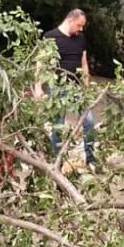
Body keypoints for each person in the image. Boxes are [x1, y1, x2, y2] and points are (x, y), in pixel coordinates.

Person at [41, 9, 95, 168]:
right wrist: (38, 88)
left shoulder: (81, 39)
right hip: (57, 88)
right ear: (70, 20)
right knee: (58, 125)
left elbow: (84, 64)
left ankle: (91, 159)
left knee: (89, 121)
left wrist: (86, 88)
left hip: (77, 88)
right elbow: (41, 63)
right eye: (79, 25)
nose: (81, 29)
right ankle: (57, 162)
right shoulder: (50, 37)